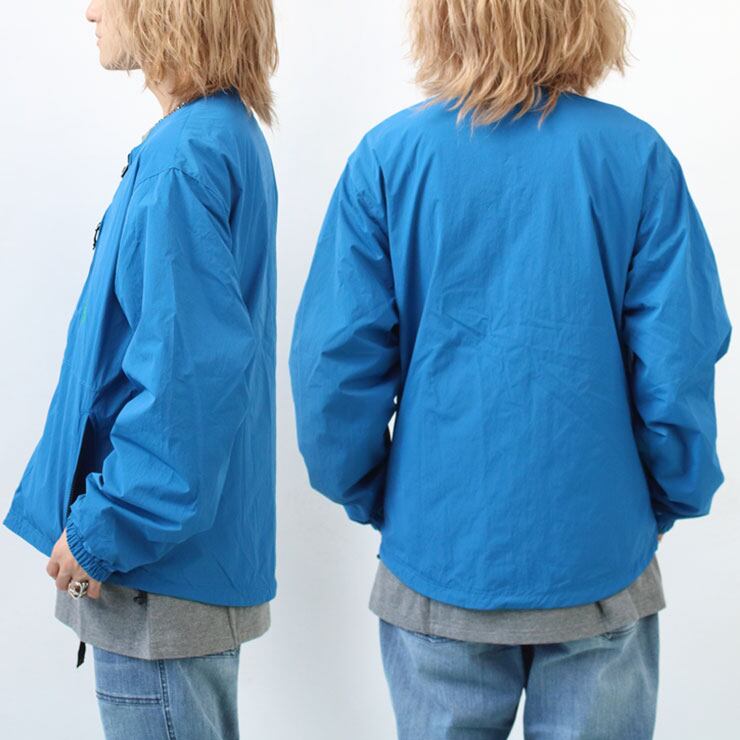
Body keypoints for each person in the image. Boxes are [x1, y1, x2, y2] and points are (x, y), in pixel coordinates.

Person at [288, 1, 731, 737]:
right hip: (599, 556)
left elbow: (331, 374)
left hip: (438, 552)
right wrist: (663, 500)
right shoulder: (637, 157)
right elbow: (677, 363)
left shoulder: (388, 158)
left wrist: (382, 497)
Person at [2, 1, 278, 737]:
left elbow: (189, 382)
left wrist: (105, 528)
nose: (89, 11)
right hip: (179, 568)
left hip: (155, 576)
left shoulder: (183, 156)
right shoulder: (219, 136)